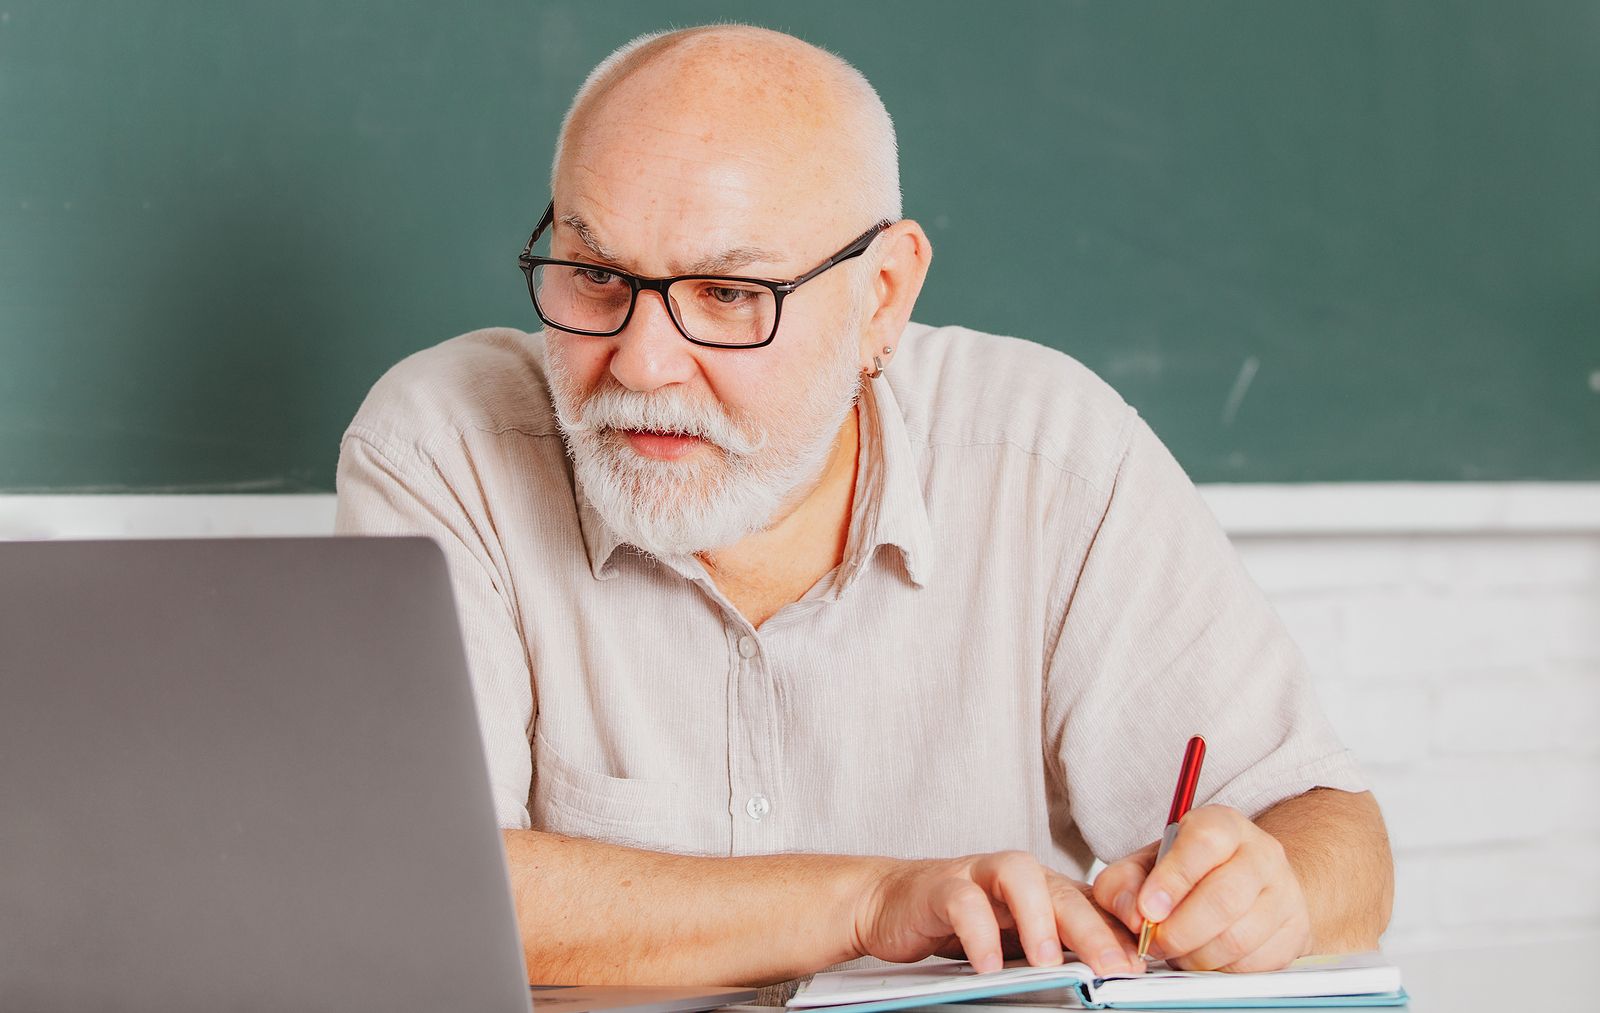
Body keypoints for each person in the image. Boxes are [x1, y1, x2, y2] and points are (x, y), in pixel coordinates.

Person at [335, 24, 1393, 993]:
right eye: (595, 275)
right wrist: (871, 901)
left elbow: (1336, 835)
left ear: (882, 294)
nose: (644, 362)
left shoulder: (1048, 455)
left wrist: (1270, 889)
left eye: (730, 296)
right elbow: (415, 885)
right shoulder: (444, 448)